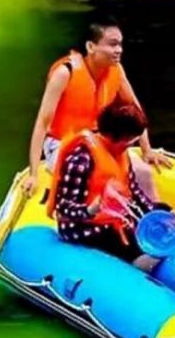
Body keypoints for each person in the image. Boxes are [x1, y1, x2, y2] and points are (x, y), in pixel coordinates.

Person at [23, 21, 171, 198]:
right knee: (97, 174)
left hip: (98, 140)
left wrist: (147, 150)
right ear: (91, 46)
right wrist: (33, 174)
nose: (119, 50)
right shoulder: (65, 73)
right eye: (112, 44)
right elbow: (42, 123)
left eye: (120, 44)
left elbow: (134, 110)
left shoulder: (116, 70)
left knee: (142, 172)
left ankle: (153, 216)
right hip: (62, 144)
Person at [48, 101, 158, 268]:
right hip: (82, 227)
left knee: (151, 237)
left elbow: (134, 193)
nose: (132, 144)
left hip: (111, 222)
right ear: (120, 138)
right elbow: (63, 207)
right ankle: (133, 278)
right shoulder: (81, 160)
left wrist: (156, 214)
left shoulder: (120, 155)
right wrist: (90, 210)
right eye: (130, 140)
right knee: (148, 251)